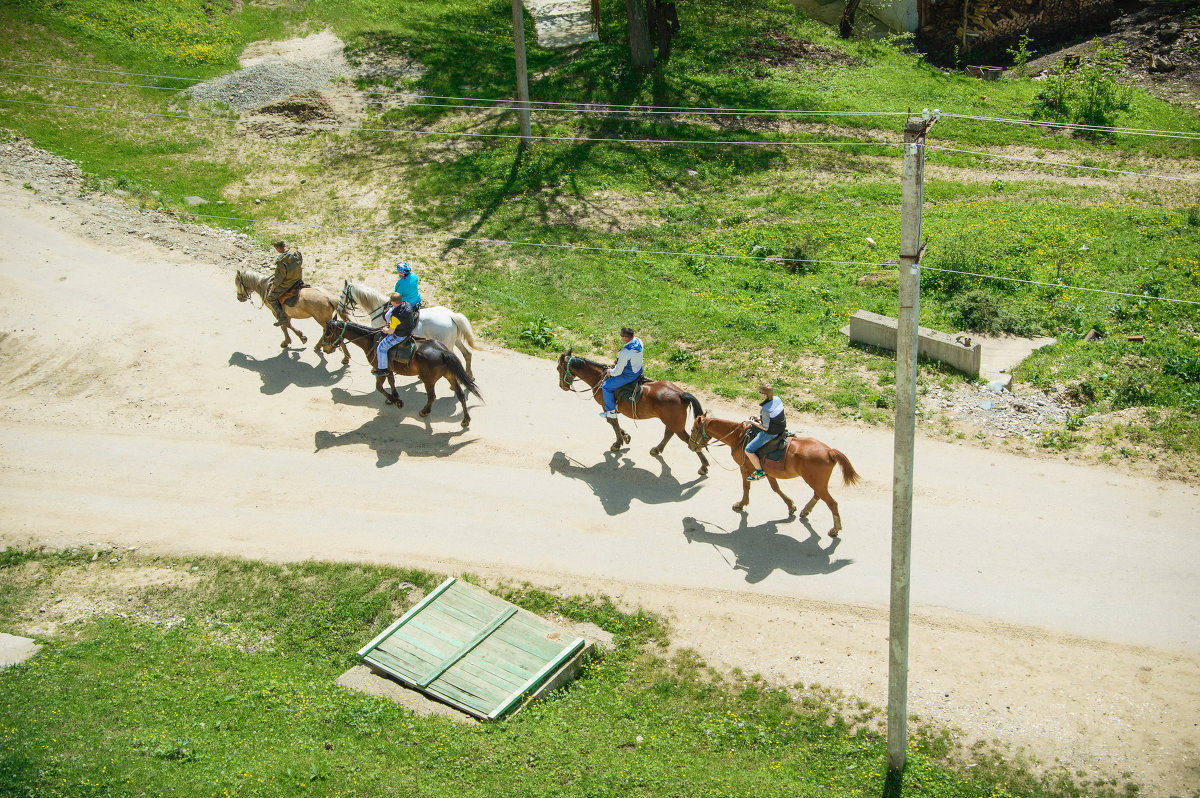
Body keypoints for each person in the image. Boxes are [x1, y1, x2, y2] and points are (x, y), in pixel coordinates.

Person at [744, 383, 786, 481]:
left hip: (771, 433)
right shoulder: (777, 399)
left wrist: (752, 422)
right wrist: (759, 418)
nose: (760, 394)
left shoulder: (765, 409)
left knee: (748, 450)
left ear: (765, 395)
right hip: (781, 427)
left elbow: (765, 428)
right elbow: (773, 416)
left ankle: (759, 471)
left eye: (760, 392)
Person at [600, 327, 643, 418]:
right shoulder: (639, 341)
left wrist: (610, 372)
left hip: (629, 374)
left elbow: (617, 372)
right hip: (638, 369)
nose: (621, 338)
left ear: (625, 337)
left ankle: (611, 413)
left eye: (621, 336)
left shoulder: (626, 351)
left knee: (606, 387)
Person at [373, 293, 416, 376]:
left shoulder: (395, 316)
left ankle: (383, 369)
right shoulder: (407, 304)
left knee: (381, 347)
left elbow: (391, 332)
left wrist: (385, 330)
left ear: (394, 302)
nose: (390, 302)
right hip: (409, 328)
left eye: (391, 301)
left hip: (400, 335)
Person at [267, 239, 303, 326]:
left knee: (271, 297)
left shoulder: (281, 260)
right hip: (298, 278)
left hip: (288, 283)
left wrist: (274, 285)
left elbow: (280, 277)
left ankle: (282, 318)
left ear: (278, 248)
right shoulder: (295, 252)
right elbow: (301, 261)